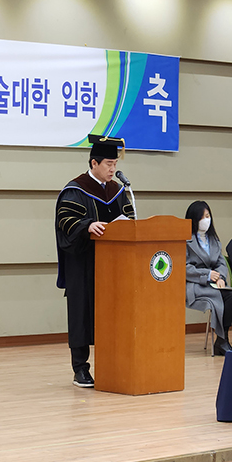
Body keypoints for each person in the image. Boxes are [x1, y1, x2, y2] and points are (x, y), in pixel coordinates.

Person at [55, 135, 135, 387]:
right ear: (94, 163)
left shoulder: (118, 191)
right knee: (82, 315)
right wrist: (88, 225)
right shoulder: (75, 190)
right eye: (109, 164)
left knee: (113, 315)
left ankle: (112, 364)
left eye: (115, 164)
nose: (113, 169)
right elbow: (66, 221)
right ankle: (80, 368)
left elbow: (130, 219)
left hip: (114, 268)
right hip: (84, 265)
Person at [186, 201, 232, 354]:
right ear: (193, 219)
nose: (206, 220)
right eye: (202, 217)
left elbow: (220, 263)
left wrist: (221, 277)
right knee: (229, 297)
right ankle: (222, 339)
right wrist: (207, 275)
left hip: (215, 284)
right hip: (195, 284)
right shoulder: (185, 240)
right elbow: (184, 267)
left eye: (208, 216)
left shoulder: (213, 240)